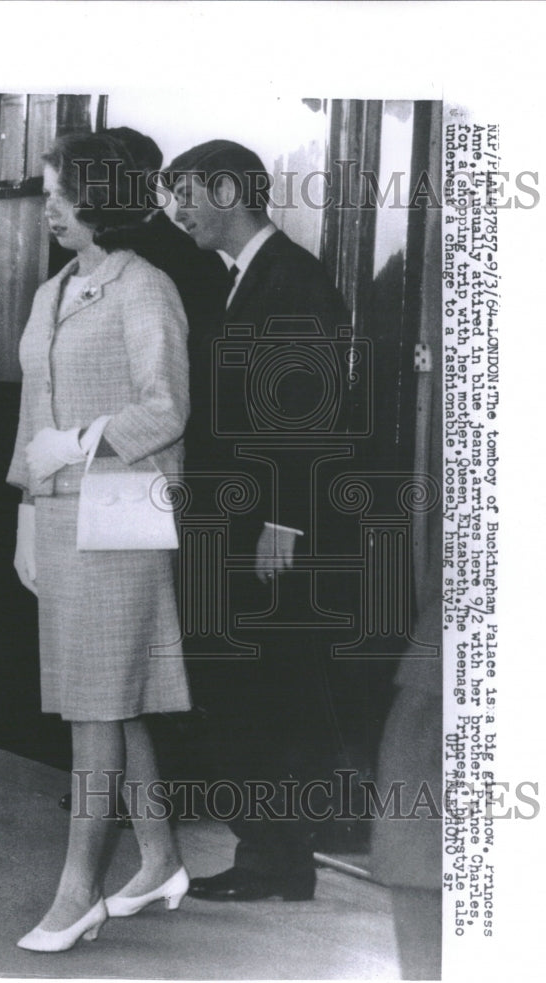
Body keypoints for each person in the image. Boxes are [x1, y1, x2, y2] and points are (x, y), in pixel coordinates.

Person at [6, 132, 191, 951]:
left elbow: (166, 409)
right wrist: (24, 511)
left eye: (64, 192)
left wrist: (77, 441)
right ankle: (158, 860)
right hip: (58, 511)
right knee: (116, 693)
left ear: (104, 197)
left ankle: (76, 893)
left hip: (121, 507)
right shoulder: (55, 290)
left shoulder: (144, 288)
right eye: (48, 191)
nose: (49, 207)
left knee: (93, 699)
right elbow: (31, 408)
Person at [163, 140, 351, 903]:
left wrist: (286, 521)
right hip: (242, 523)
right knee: (251, 689)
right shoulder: (241, 280)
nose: (178, 214)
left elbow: (312, 414)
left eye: (187, 196)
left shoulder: (293, 281)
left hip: (271, 530)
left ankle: (278, 860)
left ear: (231, 191)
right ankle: (272, 857)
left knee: (268, 690)